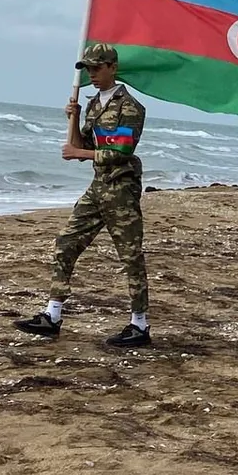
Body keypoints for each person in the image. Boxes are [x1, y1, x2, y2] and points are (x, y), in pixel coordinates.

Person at [14, 43, 151, 347]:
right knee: (66, 242)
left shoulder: (130, 107)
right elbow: (81, 147)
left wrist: (79, 152)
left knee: (130, 256)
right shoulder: (93, 105)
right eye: (89, 69)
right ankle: (52, 315)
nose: (93, 74)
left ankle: (139, 325)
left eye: (97, 68)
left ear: (113, 67)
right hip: (98, 187)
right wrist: (73, 119)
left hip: (121, 189)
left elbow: (121, 152)